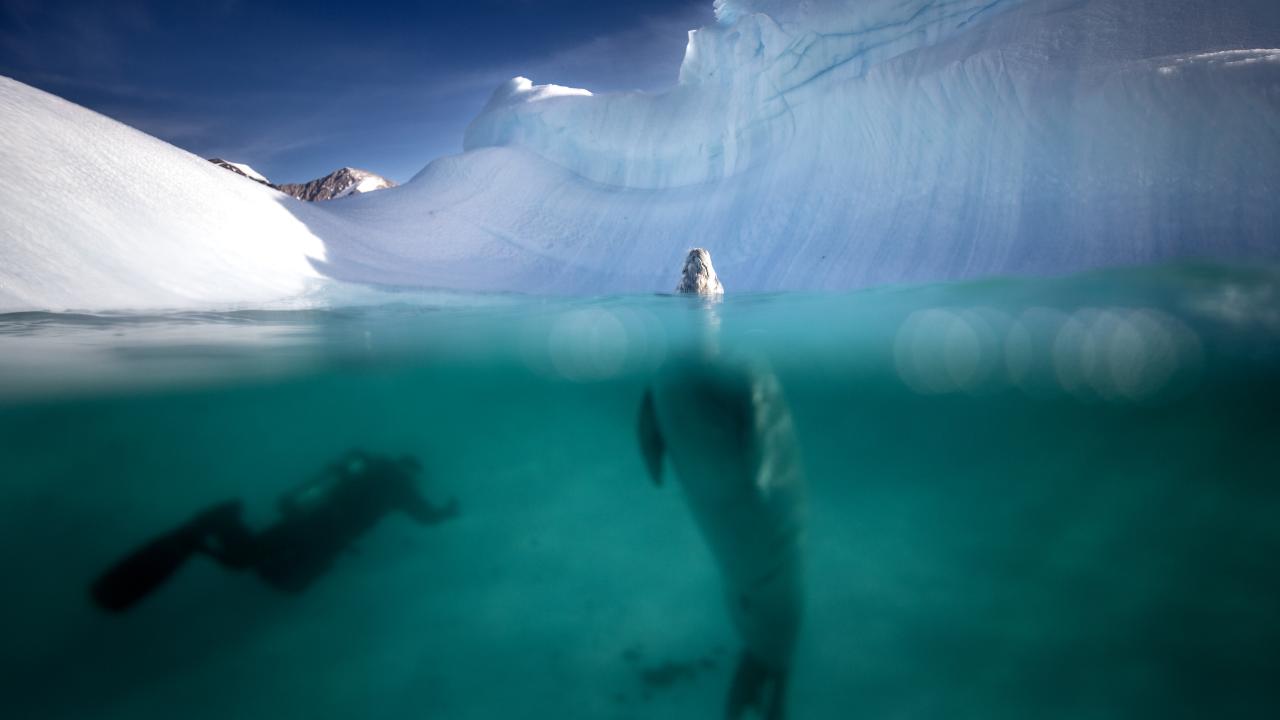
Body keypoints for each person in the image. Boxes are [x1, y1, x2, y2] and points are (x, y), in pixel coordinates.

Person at [90, 450, 457, 612]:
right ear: (412, 471)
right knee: (282, 581)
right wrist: (446, 512)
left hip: (308, 524)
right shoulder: (398, 484)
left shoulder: (371, 470)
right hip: (322, 535)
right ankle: (221, 523)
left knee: (246, 563)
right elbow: (426, 517)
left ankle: (221, 523)